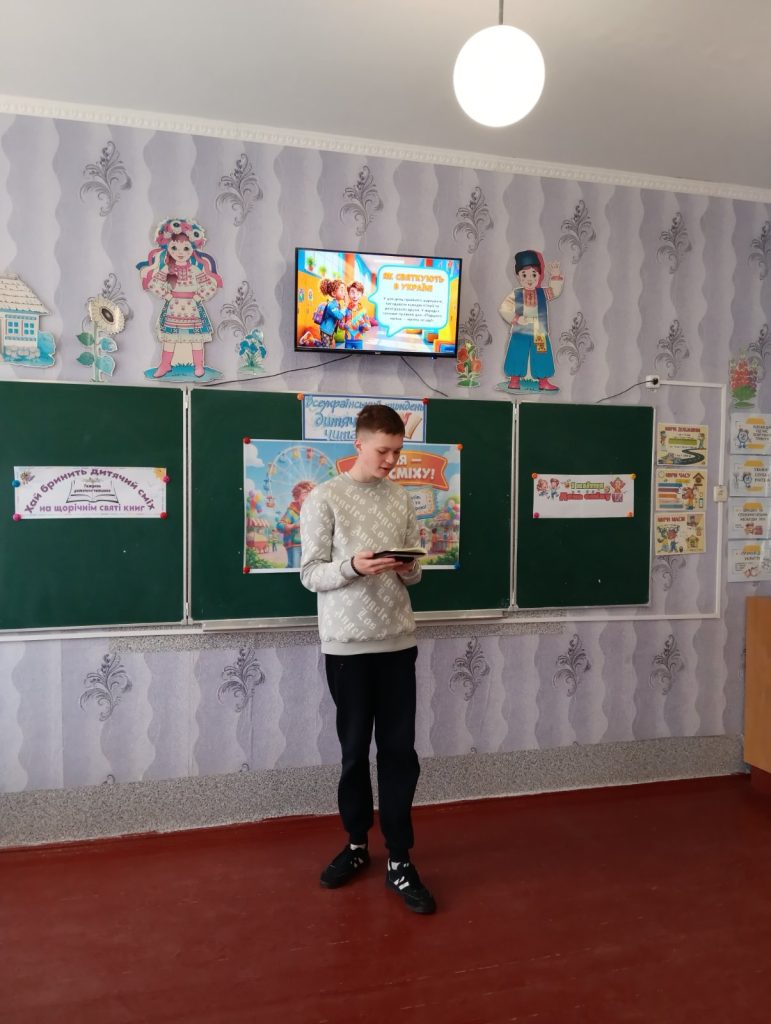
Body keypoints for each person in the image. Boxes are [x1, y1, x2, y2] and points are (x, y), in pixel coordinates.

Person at [299, 404, 435, 915]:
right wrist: (353, 566)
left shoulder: (400, 497)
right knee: (355, 752)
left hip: (397, 642)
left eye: (398, 452)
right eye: (383, 451)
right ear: (358, 444)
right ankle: (357, 844)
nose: (391, 461)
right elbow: (310, 574)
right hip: (347, 648)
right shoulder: (324, 498)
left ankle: (400, 859)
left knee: (400, 754)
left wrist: (405, 568)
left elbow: (415, 572)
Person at [137, 217, 223, 378]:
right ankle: (165, 365)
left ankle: (199, 365)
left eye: (186, 248)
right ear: (167, 248)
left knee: (196, 338)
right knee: (170, 339)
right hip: (173, 308)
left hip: (192, 310)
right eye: (175, 248)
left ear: (192, 249)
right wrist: (166, 295)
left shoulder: (195, 270)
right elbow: (154, 283)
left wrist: (199, 296)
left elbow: (210, 286)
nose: (180, 253)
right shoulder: (167, 269)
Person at [498, 249, 563, 392]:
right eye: (524, 274)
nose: (529, 279)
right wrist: (516, 318)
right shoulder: (515, 294)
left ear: (539, 275)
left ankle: (543, 381)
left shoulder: (543, 293)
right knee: (516, 352)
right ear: (518, 275)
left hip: (539, 331)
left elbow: (555, 291)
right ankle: (514, 380)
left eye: (534, 274)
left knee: (542, 354)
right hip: (520, 330)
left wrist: (556, 275)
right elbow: (504, 308)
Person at [277, 480, 314, 568]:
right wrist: (294, 525)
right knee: (294, 566)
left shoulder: (312, 510)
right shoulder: (292, 511)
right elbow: (279, 526)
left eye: (311, 493)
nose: (308, 495)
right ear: (297, 496)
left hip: (308, 544)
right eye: (305, 493)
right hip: (294, 544)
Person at [317, 278, 348, 347]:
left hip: (330, 330)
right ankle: (311, 340)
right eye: (342, 290)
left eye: (344, 290)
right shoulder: (331, 305)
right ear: (333, 293)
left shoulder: (337, 304)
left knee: (328, 345)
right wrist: (346, 304)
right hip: (325, 330)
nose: (345, 293)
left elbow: (339, 318)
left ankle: (311, 339)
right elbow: (339, 316)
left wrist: (343, 324)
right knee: (326, 347)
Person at [342, 280, 370, 350]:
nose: (355, 296)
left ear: (362, 295)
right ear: (348, 294)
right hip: (348, 340)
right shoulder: (345, 310)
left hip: (359, 340)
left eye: (358, 294)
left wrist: (363, 323)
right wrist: (344, 325)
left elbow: (368, 327)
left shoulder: (363, 311)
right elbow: (340, 325)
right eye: (352, 293)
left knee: (359, 356)